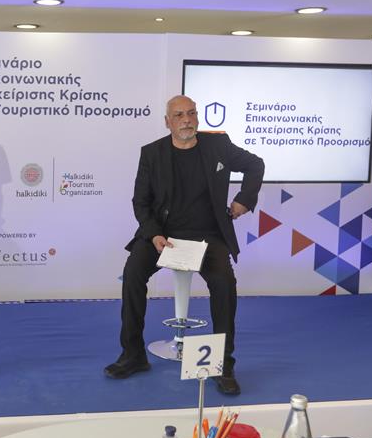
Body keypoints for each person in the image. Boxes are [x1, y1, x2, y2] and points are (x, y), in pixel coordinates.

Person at [105, 95, 264, 395]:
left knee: (224, 283)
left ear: (197, 117)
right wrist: (153, 235)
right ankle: (133, 355)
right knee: (133, 273)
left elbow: (256, 165)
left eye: (191, 113)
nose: (186, 120)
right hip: (163, 235)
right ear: (168, 122)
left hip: (208, 235)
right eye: (178, 115)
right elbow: (141, 202)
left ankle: (222, 365)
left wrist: (244, 199)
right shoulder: (152, 153)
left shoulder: (218, 146)